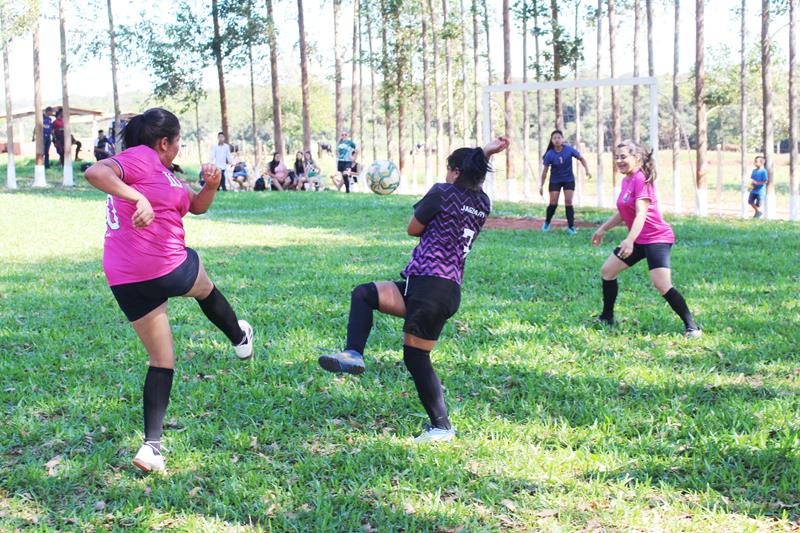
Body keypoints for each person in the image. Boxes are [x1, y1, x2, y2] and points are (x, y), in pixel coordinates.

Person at [83, 108, 254, 473]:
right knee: (204, 284)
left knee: (162, 360)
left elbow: (195, 207)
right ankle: (240, 337)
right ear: (164, 142)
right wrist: (137, 198)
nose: (179, 148)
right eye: (178, 142)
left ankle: (151, 448)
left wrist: (210, 185)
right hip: (164, 267)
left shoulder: (165, 173)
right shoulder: (142, 158)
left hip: (125, 278)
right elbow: (95, 171)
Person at [317, 136, 510, 443]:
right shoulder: (482, 203)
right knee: (364, 293)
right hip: (439, 288)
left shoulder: (442, 192)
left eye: (450, 169)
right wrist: (485, 152)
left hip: (428, 287)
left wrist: (480, 155)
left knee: (416, 358)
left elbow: (413, 228)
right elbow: (472, 179)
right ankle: (353, 352)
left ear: (456, 171)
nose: (447, 175)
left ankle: (442, 427)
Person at [591, 139, 701, 338]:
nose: (619, 161)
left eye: (623, 157)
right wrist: (603, 229)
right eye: (616, 157)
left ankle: (692, 327)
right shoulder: (626, 180)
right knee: (608, 271)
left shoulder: (641, 179)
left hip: (657, 238)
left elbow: (641, 213)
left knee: (661, 284)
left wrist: (629, 240)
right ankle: (607, 317)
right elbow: (624, 212)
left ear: (637, 158)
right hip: (638, 239)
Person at [538, 130, 591, 234]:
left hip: (568, 180)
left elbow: (581, 159)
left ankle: (571, 227)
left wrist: (587, 170)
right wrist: (541, 185)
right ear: (552, 141)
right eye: (554, 138)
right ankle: (547, 223)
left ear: (562, 139)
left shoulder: (569, 150)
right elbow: (545, 172)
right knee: (553, 203)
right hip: (555, 181)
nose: (557, 140)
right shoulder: (550, 154)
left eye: (559, 137)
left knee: (568, 202)